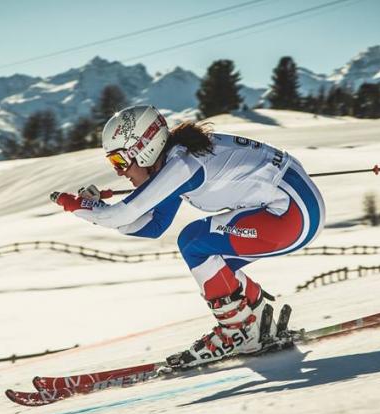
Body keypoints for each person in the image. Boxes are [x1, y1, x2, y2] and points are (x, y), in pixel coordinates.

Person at [51, 105, 325, 369]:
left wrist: (80, 206)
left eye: (120, 160)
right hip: (297, 208)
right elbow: (152, 225)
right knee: (210, 261)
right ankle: (256, 316)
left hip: (291, 215)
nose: (119, 171)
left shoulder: (182, 165)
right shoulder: (176, 159)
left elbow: (121, 215)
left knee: (194, 241)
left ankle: (238, 330)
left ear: (143, 149)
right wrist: (101, 211)